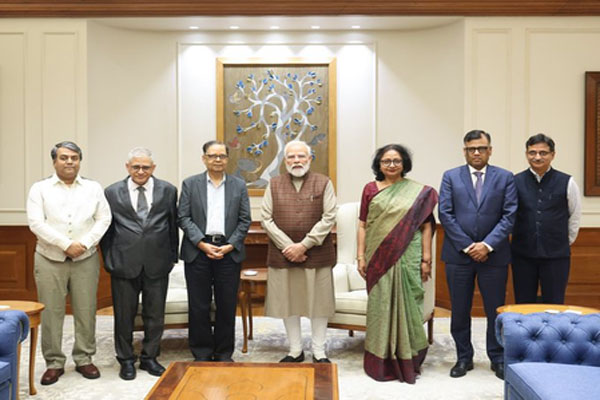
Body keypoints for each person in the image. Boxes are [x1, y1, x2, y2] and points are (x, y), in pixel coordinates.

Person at [26, 141, 111, 385]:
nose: (69, 162)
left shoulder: (93, 188)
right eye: (64, 157)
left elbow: (104, 218)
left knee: (86, 310)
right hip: (49, 258)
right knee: (52, 312)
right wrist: (65, 245)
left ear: (80, 161)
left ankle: (84, 358)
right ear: (54, 161)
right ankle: (54, 362)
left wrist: (83, 243)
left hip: (86, 257)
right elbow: (36, 223)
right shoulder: (40, 189)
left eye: (74, 157)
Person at [438, 130, 517, 380]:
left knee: (495, 310)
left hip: (494, 256)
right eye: (471, 148)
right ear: (464, 151)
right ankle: (463, 357)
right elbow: (445, 214)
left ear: (489, 150)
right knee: (460, 309)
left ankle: (497, 357)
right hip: (458, 256)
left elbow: (509, 215)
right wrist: (468, 246)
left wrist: (487, 245)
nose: (476, 153)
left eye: (481, 148)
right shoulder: (451, 176)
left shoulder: (505, 177)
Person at [357, 144, 438, 383]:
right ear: (379, 164)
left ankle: (408, 357)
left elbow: (426, 227)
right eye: (386, 161)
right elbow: (363, 225)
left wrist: (426, 259)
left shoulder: (419, 192)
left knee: (409, 304)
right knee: (380, 305)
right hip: (378, 257)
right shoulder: (370, 189)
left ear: (404, 164)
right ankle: (380, 360)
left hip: (408, 255)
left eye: (396, 161)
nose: (391, 165)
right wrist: (360, 256)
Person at [100, 147, 178, 380]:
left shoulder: (168, 190)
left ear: (153, 168)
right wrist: (109, 259)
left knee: (155, 315)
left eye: (146, 167)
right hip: (123, 263)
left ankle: (149, 357)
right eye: (136, 167)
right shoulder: (112, 192)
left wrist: (172, 257)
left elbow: (172, 225)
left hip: (158, 262)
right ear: (127, 167)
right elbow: (106, 229)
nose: (141, 171)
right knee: (124, 316)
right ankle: (126, 360)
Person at [261, 140, 337, 363]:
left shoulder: (324, 182)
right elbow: (266, 219)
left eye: (301, 156)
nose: (296, 161)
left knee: (319, 304)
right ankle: (295, 350)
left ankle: (319, 351)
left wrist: (304, 245)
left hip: (317, 254)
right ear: (285, 161)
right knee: (289, 303)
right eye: (291, 157)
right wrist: (289, 247)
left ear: (309, 158)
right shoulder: (273, 183)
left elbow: (329, 217)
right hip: (283, 255)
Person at [178, 140, 251, 362]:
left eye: (222, 156)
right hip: (198, 250)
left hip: (229, 251)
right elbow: (183, 217)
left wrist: (230, 245)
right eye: (212, 156)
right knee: (198, 305)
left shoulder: (239, 185)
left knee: (226, 305)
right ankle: (201, 352)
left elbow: (245, 220)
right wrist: (201, 243)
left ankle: (223, 353)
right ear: (204, 158)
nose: (217, 160)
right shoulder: (190, 184)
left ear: (227, 159)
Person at [511, 134, 581, 304]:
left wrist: (563, 241)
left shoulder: (567, 182)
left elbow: (575, 215)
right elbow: (509, 215)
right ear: (526, 154)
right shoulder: (515, 181)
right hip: (522, 255)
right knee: (523, 303)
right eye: (532, 152)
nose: (537, 157)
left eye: (543, 153)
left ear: (552, 155)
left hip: (556, 256)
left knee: (555, 303)